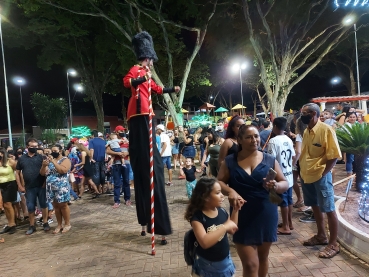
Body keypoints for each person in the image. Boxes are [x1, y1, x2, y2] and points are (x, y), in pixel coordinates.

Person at [123, 31, 179, 242]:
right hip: (137, 115)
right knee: (142, 157)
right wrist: (141, 77)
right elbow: (127, 82)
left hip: (149, 115)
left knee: (151, 161)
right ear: (146, 59)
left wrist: (172, 88)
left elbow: (157, 89)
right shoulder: (136, 70)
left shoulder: (149, 76)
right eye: (151, 61)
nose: (152, 65)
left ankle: (156, 223)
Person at [217, 124, 289, 276]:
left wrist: (276, 185)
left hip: (265, 213)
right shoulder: (230, 161)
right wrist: (231, 191)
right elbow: (219, 182)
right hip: (241, 215)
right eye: (249, 137)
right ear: (240, 140)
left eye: (256, 136)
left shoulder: (269, 159)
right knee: (250, 264)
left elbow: (285, 183)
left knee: (263, 258)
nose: (254, 140)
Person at [299, 103, 341, 258]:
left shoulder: (326, 130)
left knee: (329, 209)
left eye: (306, 113)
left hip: (321, 176)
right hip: (306, 175)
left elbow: (334, 155)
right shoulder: (306, 131)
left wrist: (324, 173)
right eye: (302, 112)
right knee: (314, 206)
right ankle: (321, 236)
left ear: (314, 114)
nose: (303, 115)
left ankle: (333, 244)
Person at [184, 178, 238, 277]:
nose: (222, 195)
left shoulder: (222, 211)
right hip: (207, 266)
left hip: (225, 261)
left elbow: (232, 229)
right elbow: (204, 242)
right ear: (206, 197)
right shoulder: (198, 218)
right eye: (217, 193)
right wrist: (224, 226)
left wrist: (236, 210)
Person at [267, 117, 295, 235]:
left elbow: (270, 160)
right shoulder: (288, 139)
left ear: (275, 127)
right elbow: (293, 156)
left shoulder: (273, 141)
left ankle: (286, 226)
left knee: (283, 202)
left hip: (280, 176)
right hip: (289, 174)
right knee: (289, 200)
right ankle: (289, 223)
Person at [16, 138, 50, 235]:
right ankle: (32, 225)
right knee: (30, 207)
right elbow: (17, 173)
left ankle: (45, 222)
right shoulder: (22, 159)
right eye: (32, 146)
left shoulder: (40, 157)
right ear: (27, 147)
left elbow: (46, 171)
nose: (35, 148)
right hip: (29, 187)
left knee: (44, 205)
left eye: (36, 146)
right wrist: (19, 185)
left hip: (41, 185)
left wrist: (45, 182)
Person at [40, 145, 72, 234]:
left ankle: (67, 223)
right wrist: (43, 166)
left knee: (63, 205)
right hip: (51, 187)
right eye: (52, 151)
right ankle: (59, 224)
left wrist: (54, 161)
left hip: (62, 187)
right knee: (56, 206)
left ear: (60, 151)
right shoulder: (49, 161)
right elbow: (43, 173)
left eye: (55, 150)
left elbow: (63, 170)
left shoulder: (65, 160)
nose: (53, 152)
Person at [106, 126, 132, 208]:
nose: (122, 132)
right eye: (121, 130)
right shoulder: (112, 141)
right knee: (117, 183)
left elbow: (132, 150)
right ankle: (116, 201)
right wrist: (118, 154)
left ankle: (127, 199)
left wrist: (127, 153)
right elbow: (107, 151)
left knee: (126, 182)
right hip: (116, 164)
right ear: (117, 132)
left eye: (123, 130)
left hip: (126, 163)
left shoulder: (127, 141)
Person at [0, 148, 18, 234]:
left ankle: (12, 224)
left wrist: (21, 184)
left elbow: (18, 172)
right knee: (4, 205)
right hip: (1, 185)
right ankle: (9, 223)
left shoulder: (10, 161)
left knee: (8, 204)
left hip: (10, 184)